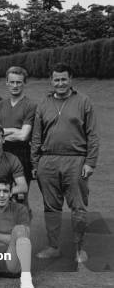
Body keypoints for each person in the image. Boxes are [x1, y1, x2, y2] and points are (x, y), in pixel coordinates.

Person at [31, 62, 99, 262]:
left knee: (78, 207)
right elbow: (36, 136)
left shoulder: (84, 102)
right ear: (51, 81)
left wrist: (90, 162)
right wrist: (35, 163)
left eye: (63, 79)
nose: (60, 83)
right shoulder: (43, 104)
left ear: (71, 80)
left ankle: (79, 248)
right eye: (56, 79)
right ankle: (53, 246)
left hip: (76, 160)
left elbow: (92, 135)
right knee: (51, 207)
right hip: (48, 161)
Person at [0, 66, 36, 186]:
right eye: (12, 82)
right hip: (0, 154)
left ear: (24, 83)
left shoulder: (31, 105)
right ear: (7, 83)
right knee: (1, 194)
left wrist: (1, 134)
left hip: (22, 154)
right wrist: (15, 130)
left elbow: (23, 136)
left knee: (21, 196)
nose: (15, 86)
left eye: (18, 82)